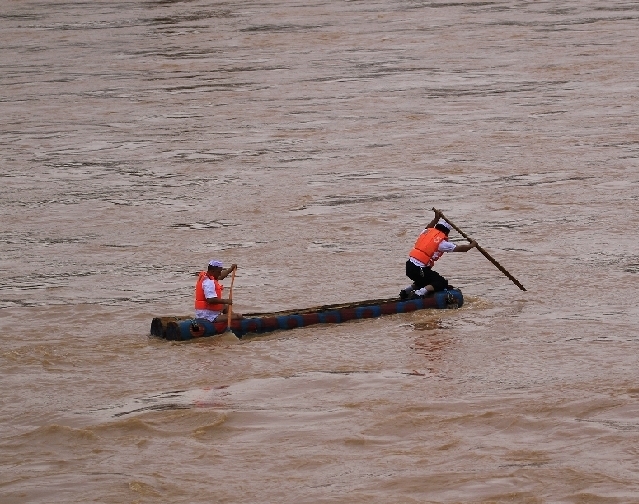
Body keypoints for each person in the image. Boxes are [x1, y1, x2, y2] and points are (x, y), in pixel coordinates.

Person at [400, 209, 477, 299]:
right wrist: (472, 245)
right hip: (419, 270)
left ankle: (406, 291)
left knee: (426, 280)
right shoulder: (441, 243)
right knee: (441, 282)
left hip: (409, 266)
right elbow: (461, 249)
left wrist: (436, 218)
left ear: (436, 227)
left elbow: (429, 226)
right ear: (447, 232)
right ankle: (419, 293)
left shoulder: (425, 233)